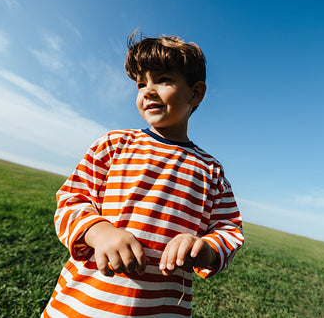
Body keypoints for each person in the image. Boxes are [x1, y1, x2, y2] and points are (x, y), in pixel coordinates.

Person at [42, 31, 244, 317]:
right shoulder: (115, 144)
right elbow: (70, 201)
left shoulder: (210, 170)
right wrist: (101, 233)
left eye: (163, 80)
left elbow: (229, 228)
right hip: (80, 305)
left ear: (196, 93)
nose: (148, 90)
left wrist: (205, 248)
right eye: (141, 84)